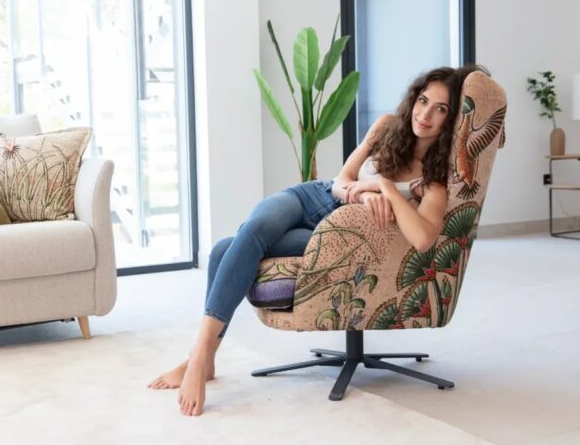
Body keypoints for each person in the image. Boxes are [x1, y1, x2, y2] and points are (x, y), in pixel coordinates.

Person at [148, 65, 484, 416]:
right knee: (254, 228)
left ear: (450, 119)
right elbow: (341, 180)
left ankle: (200, 359)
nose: (425, 114)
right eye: (423, 100)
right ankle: (202, 357)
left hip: (335, 234)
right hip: (313, 196)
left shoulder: (432, 181)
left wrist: (385, 187)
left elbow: (424, 238)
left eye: (440, 109)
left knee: (223, 249)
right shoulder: (387, 126)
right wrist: (363, 192)